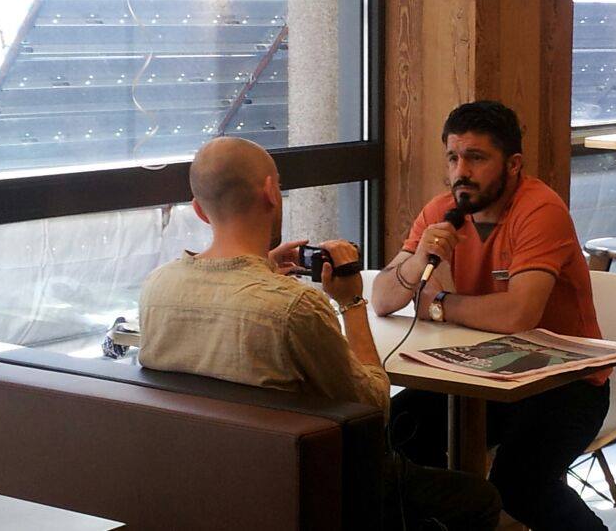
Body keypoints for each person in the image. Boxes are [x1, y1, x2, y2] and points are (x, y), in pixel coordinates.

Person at [138, 136, 501, 531]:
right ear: (271, 192)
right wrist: (351, 303)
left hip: (209, 487)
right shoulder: (293, 306)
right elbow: (372, 408)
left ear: (199, 209)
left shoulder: (157, 288)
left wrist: (261, 267)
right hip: (311, 489)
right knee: (479, 499)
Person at [372, 101, 610, 531]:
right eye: (453, 158)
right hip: (479, 376)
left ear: (513, 164)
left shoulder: (539, 210)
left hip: (564, 382)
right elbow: (383, 299)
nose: (461, 172)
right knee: (389, 439)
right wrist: (417, 260)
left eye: (476, 158)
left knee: (519, 485)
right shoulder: (441, 211)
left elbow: (519, 314)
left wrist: (440, 304)